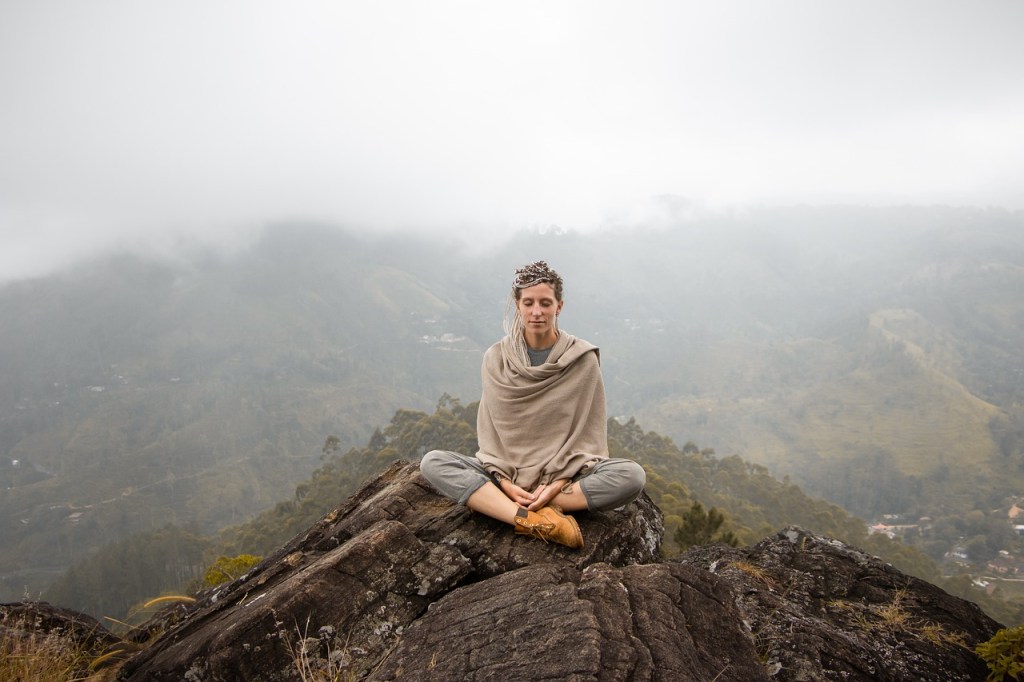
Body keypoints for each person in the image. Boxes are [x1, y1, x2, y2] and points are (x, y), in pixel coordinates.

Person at [420, 260, 646, 549]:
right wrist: (503, 481)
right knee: (433, 462)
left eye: (545, 303)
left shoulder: (581, 359)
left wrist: (554, 484)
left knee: (631, 476)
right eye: (528, 303)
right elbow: (492, 433)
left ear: (559, 306)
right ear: (518, 306)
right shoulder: (496, 358)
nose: (536, 312)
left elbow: (586, 435)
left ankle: (511, 507)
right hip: (507, 472)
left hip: (563, 476)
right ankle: (532, 519)